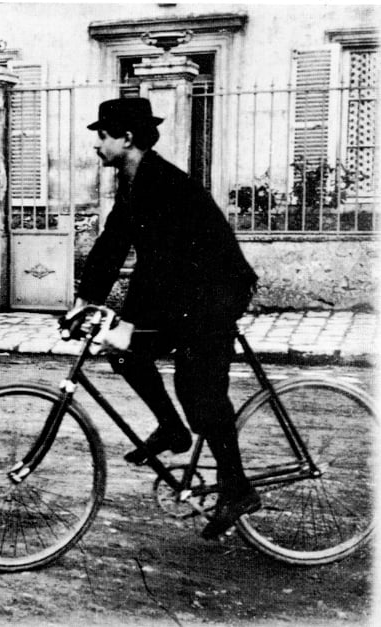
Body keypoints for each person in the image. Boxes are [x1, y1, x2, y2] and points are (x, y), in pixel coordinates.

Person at [66, 97, 261, 540]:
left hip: (214, 292)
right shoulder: (134, 182)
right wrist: (84, 301)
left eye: (103, 135)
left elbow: (163, 266)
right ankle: (172, 430)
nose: (97, 143)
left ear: (126, 139)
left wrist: (130, 320)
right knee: (122, 351)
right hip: (187, 291)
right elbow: (113, 243)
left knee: (199, 390)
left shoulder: (164, 184)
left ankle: (237, 487)